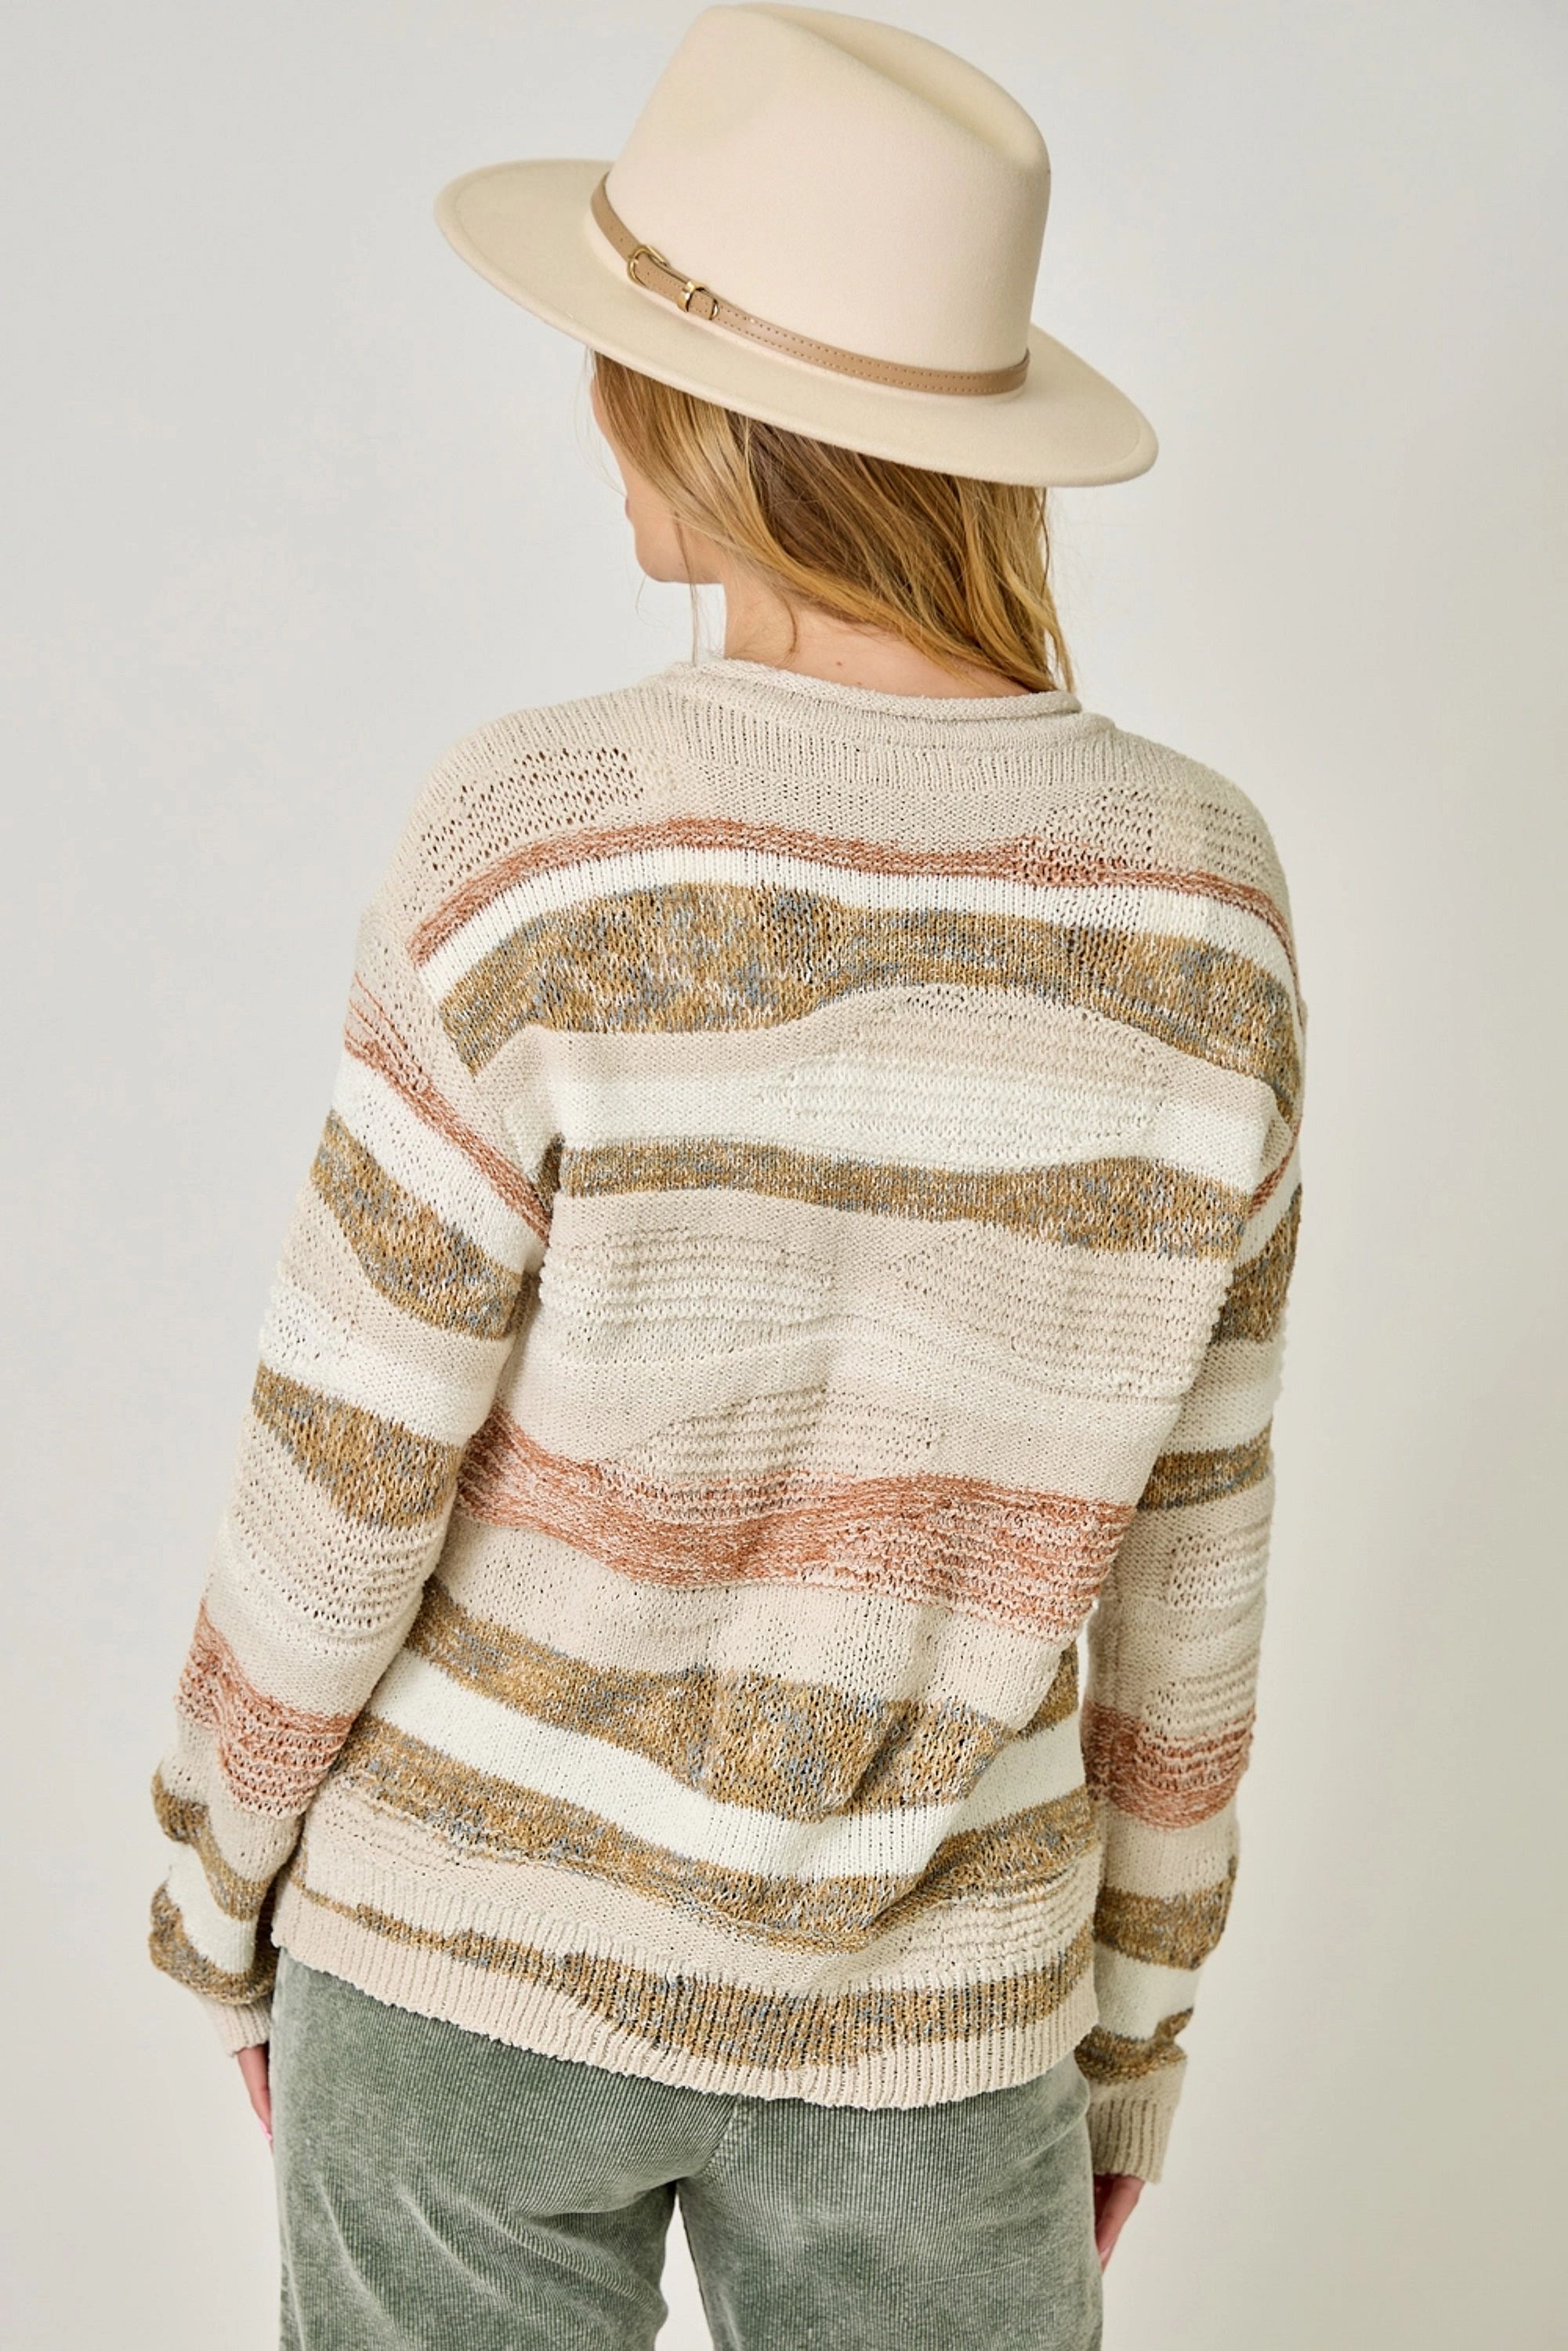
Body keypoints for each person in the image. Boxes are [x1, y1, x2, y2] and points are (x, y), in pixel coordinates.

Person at [145, 10, 1303, 2347]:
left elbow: (346, 1464)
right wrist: (1130, 2049)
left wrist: (219, 1891)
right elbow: (1194, 1560)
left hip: (462, 1960)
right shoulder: (1202, 906)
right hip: (936, 2026)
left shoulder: (539, 843)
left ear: (695, 416)